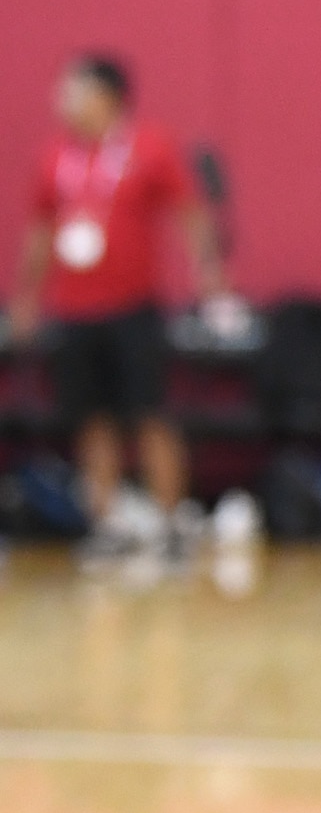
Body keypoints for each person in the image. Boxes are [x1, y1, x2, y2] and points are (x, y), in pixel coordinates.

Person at [9, 50, 229, 551]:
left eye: (72, 89)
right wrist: (27, 297)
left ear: (104, 95)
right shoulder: (55, 157)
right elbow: (41, 231)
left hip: (133, 308)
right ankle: (106, 527)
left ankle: (172, 526)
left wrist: (209, 268)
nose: (61, 100)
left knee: (150, 414)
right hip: (73, 310)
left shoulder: (149, 148)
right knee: (92, 421)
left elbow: (189, 211)